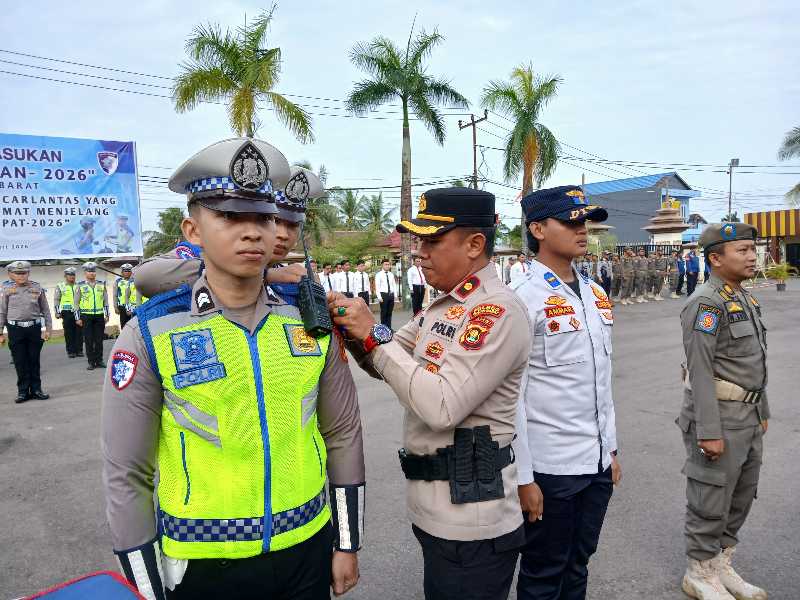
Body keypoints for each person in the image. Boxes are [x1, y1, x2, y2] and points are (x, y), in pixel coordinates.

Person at [102, 137, 365, 600]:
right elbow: (127, 472)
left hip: (306, 549)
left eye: (264, 217)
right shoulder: (151, 332)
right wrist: (145, 589)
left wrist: (346, 541)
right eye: (229, 216)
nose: (253, 232)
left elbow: (342, 433)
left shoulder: (309, 321)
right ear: (193, 230)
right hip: (203, 567)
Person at [330, 187, 530, 600]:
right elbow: (385, 356)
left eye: (432, 241)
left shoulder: (495, 310)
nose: (419, 251)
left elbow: (441, 406)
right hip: (436, 510)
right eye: (419, 240)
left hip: (472, 521)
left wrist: (372, 336)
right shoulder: (443, 305)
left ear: (475, 244)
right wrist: (353, 330)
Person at [511, 185, 620, 600]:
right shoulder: (523, 297)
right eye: (571, 222)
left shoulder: (594, 293)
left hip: (595, 464)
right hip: (550, 468)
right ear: (538, 228)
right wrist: (524, 478)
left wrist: (610, 450)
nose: (582, 230)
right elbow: (512, 397)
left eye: (585, 222)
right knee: (543, 571)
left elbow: (600, 382)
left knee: (579, 562)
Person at [678, 223, 769, 600]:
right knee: (711, 497)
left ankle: (721, 566)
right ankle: (698, 572)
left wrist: (763, 409)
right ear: (716, 258)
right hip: (719, 416)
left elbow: (755, 362)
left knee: (741, 495)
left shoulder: (744, 297)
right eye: (743, 250)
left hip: (747, 416)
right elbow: (699, 370)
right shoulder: (706, 302)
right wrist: (708, 430)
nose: (753, 256)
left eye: (753, 249)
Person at [0, 261, 52, 403]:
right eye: (18, 273)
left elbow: (45, 310)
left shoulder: (36, 287)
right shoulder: (6, 289)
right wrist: (0, 332)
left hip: (34, 328)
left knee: (34, 360)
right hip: (15, 329)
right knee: (20, 361)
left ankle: (36, 390)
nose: (22, 276)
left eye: (24, 273)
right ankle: (23, 392)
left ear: (29, 273)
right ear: (11, 274)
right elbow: (2, 311)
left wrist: (48, 328)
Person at [75, 262, 109, 370]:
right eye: (89, 271)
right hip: (86, 316)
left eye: (93, 271)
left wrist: (107, 314)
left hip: (99, 315)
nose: (92, 273)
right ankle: (91, 361)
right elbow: (76, 303)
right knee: (89, 340)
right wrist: (77, 317)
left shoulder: (101, 284)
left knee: (99, 339)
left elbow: (106, 301)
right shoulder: (80, 285)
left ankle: (99, 360)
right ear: (85, 273)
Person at [54, 266, 83, 358]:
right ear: (65, 276)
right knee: (69, 332)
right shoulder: (60, 286)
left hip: (78, 311)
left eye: (73, 275)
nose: (72, 277)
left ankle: (79, 350)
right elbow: (56, 299)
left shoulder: (79, 285)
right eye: (69, 275)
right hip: (66, 312)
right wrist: (57, 312)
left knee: (79, 331)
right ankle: (71, 351)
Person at [374, 259, 397, 328]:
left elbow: (394, 285)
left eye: (388, 264)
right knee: (384, 313)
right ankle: (384, 329)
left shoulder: (391, 274)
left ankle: (389, 328)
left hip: (391, 295)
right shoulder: (379, 275)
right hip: (383, 295)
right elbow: (377, 286)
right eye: (386, 264)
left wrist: (395, 295)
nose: (387, 266)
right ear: (382, 265)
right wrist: (379, 297)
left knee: (389, 313)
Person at [114, 264, 135, 329]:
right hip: (122, 306)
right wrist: (115, 307)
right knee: (124, 325)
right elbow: (115, 295)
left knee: (133, 324)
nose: (127, 273)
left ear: (131, 272)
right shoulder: (118, 282)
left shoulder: (134, 281)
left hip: (132, 306)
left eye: (129, 271)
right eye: (125, 271)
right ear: (122, 272)